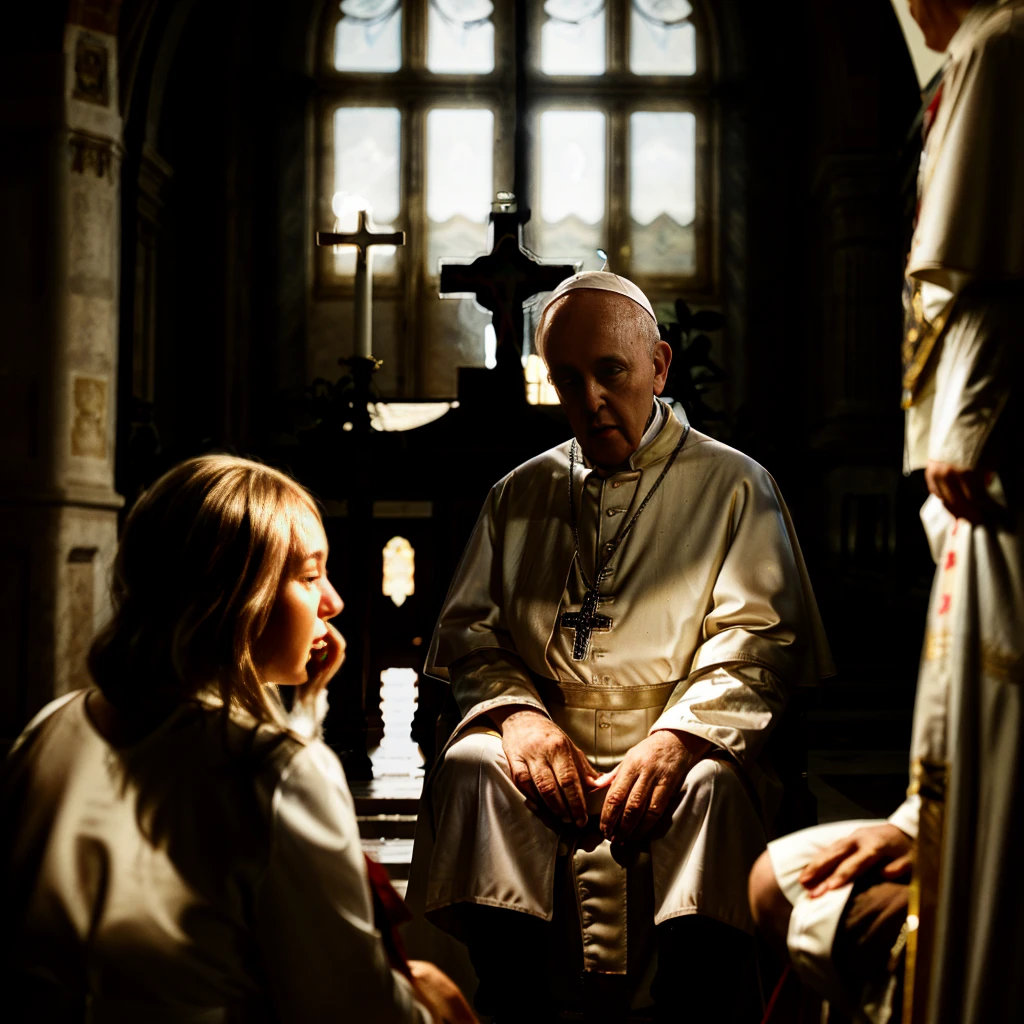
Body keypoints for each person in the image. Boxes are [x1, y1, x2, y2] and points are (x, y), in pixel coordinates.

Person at [406, 271, 833, 1021]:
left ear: (659, 366)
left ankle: (694, 1009)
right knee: (474, 765)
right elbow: (472, 636)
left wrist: (680, 738)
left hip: (685, 739)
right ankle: (515, 1004)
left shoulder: (736, 485)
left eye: (612, 373)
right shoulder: (519, 493)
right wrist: (518, 717)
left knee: (710, 790)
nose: (591, 400)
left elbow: (761, 641)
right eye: (568, 380)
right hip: (548, 750)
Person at [749, 3, 1024, 1022]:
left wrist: (969, 418)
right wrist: (914, 818)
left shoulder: (1002, 44)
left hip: (990, 481)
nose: (907, 5)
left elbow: (980, 282)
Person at [0, 455, 476, 1024]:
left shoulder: (50, 726)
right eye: (307, 576)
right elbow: (351, 1006)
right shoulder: (277, 772)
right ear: (232, 596)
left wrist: (302, 717)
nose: (333, 602)